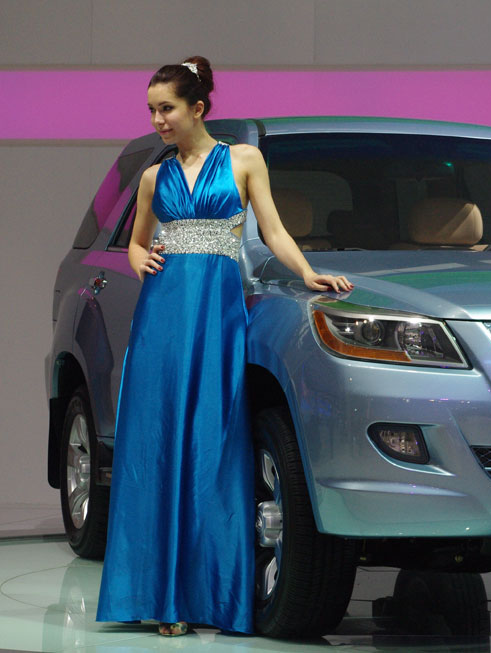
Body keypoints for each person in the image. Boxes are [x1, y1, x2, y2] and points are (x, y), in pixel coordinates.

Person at [96, 56, 353, 637]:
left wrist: (308, 273)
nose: (157, 120)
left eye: (166, 109)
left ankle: (208, 594)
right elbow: (136, 243)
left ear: (198, 108)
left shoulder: (244, 160)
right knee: (156, 445)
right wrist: (140, 260)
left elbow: (274, 230)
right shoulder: (153, 177)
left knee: (210, 445)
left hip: (216, 317)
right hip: (161, 319)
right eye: (151, 110)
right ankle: (158, 596)